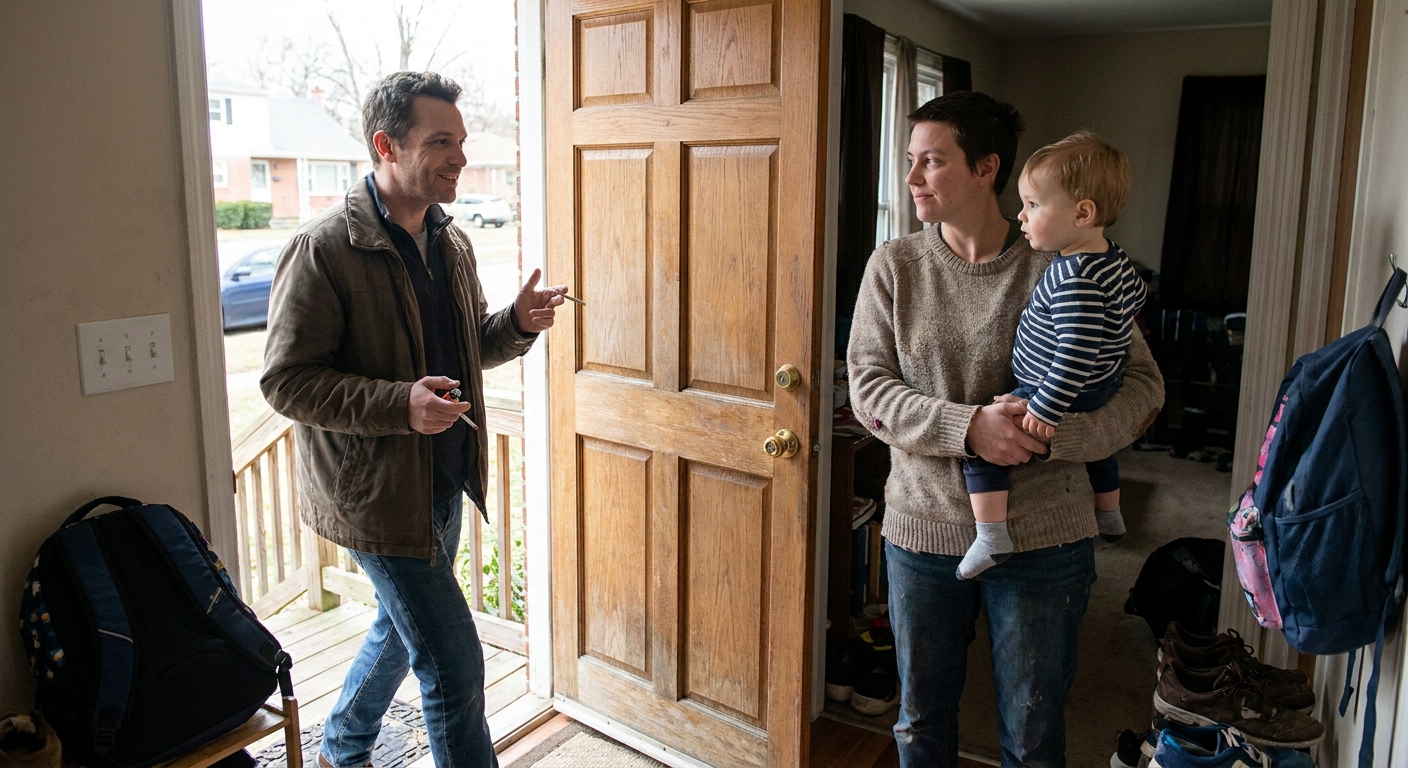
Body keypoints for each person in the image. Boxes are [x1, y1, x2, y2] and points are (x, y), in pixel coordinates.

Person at [847, 91, 1163, 766]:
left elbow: (1144, 390)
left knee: (1033, 734)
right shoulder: (894, 267)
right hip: (922, 533)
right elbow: (868, 389)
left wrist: (1054, 435)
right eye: (910, 161)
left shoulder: (1069, 259)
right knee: (920, 724)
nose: (911, 180)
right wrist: (969, 430)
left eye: (930, 162)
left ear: (987, 169)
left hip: (1046, 539)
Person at [261, 71, 566, 768]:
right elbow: (287, 382)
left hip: (444, 482)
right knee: (455, 666)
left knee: (401, 634)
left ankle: (341, 745)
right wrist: (401, 406)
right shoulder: (323, 250)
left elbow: (466, 351)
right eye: (441, 141)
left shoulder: (448, 242)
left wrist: (516, 325)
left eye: (460, 140)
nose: (459, 156)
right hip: (376, 498)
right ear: (386, 146)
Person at [956, 131, 1147, 579]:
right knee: (1098, 452)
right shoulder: (1114, 259)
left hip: (1056, 388)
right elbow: (1136, 297)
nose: (1021, 216)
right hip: (1104, 384)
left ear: (1083, 213)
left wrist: (1044, 405)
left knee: (984, 447)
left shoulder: (1074, 275)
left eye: (1033, 206)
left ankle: (991, 535)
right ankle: (1111, 516)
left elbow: (1075, 354)